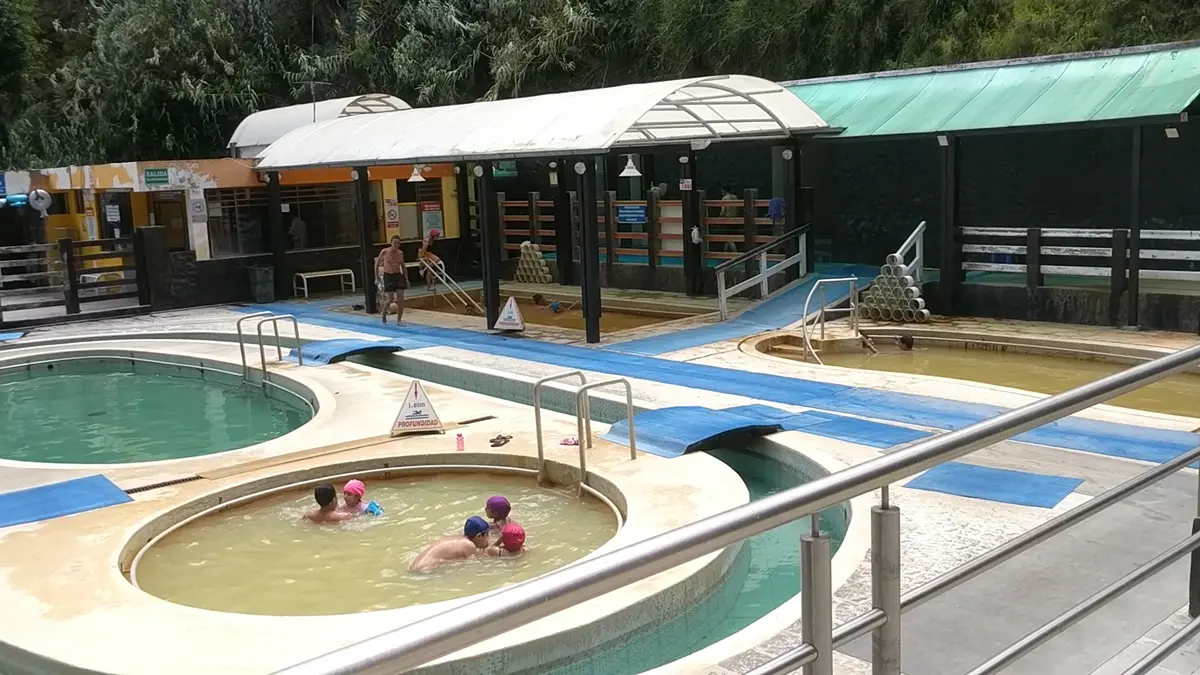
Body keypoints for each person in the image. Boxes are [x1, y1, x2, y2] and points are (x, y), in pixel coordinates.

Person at [409, 516, 491, 572]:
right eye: (487, 535)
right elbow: (475, 563)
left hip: (415, 565)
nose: (488, 538)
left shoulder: (458, 538)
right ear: (479, 536)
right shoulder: (469, 545)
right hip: (425, 569)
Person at [375, 235, 407, 325]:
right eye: (395, 243)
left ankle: (399, 320)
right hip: (388, 276)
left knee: (401, 298)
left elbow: (403, 267)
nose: (396, 245)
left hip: (398, 275)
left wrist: (406, 279)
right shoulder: (385, 252)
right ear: (391, 243)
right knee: (390, 299)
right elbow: (376, 265)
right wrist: (377, 278)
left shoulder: (400, 253)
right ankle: (384, 312)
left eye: (398, 243)